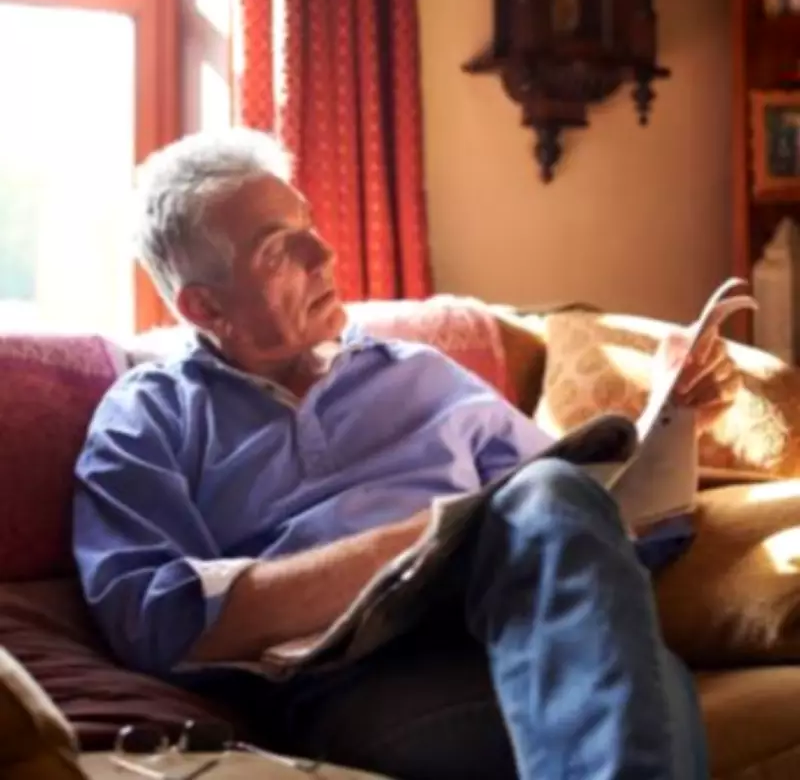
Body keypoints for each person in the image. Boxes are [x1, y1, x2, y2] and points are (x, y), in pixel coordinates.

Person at [73, 128, 737, 780]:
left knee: (562, 517)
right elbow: (154, 619)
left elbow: (584, 530)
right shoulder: (149, 415)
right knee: (634, 695)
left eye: (309, 226)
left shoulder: (423, 373)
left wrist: (672, 423)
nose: (324, 254)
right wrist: (430, 537)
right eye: (278, 251)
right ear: (204, 306)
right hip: (361, 677)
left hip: (512, 634)